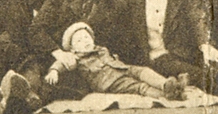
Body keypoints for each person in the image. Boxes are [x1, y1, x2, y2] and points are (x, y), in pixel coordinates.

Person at [25, 0, 124, 102]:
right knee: (33, 68)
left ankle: (28, 99)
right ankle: (22, 92)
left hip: (86, 65)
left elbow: (120, 42)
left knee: (72, 86)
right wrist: (58, 53)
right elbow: (36, 29)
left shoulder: (115, 4)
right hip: (54, 55)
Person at [48, 22, 186, 101]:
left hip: (121, 68)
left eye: (86, 37)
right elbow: (61, 63)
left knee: (143, 71)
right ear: (72, 48)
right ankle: (171, 95)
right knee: (139, 87)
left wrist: (116, 59)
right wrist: (54, 71)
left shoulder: (101, 48)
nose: (84, 42)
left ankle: (165, 84)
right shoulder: (75, 57)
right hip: (108, 81)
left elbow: (113, 58)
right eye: (79, 40)